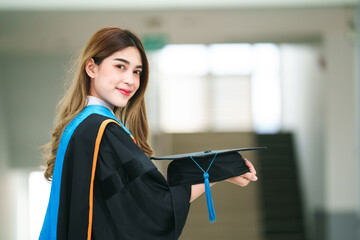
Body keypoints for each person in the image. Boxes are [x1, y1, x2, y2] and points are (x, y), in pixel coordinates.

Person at [40, 26, 258, 240]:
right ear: (91, 68)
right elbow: (155, 208)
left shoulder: (80, 126)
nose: (131, 80)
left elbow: (117, 201)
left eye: (137, 72)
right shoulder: (103, 131)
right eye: (120, 66)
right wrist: (221, 168)